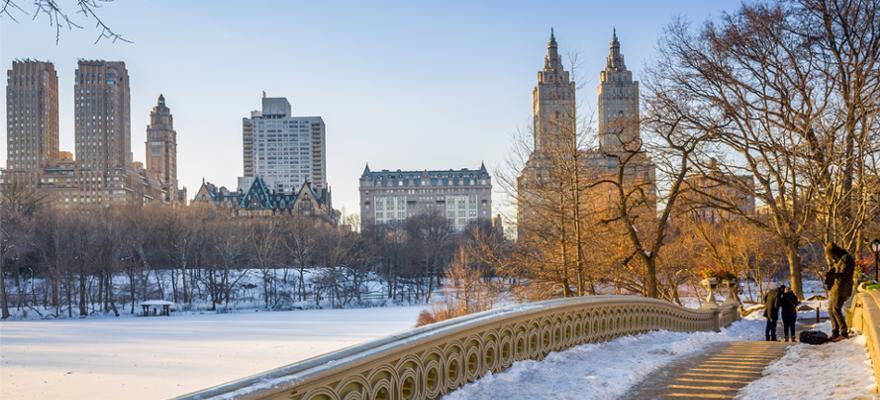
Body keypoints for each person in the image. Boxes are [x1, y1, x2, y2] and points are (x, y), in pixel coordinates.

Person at [825, 243, 855, 340]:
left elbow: (844, 274)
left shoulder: (847, 259)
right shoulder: (839, 260)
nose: (832, 257)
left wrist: (831, 275)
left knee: (836, 309)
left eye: (831, 255)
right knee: (830, 309)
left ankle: (843, 332)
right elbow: (836, 270)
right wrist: (829, 274)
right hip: (835, 288)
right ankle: (835, 332)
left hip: (842, 288)